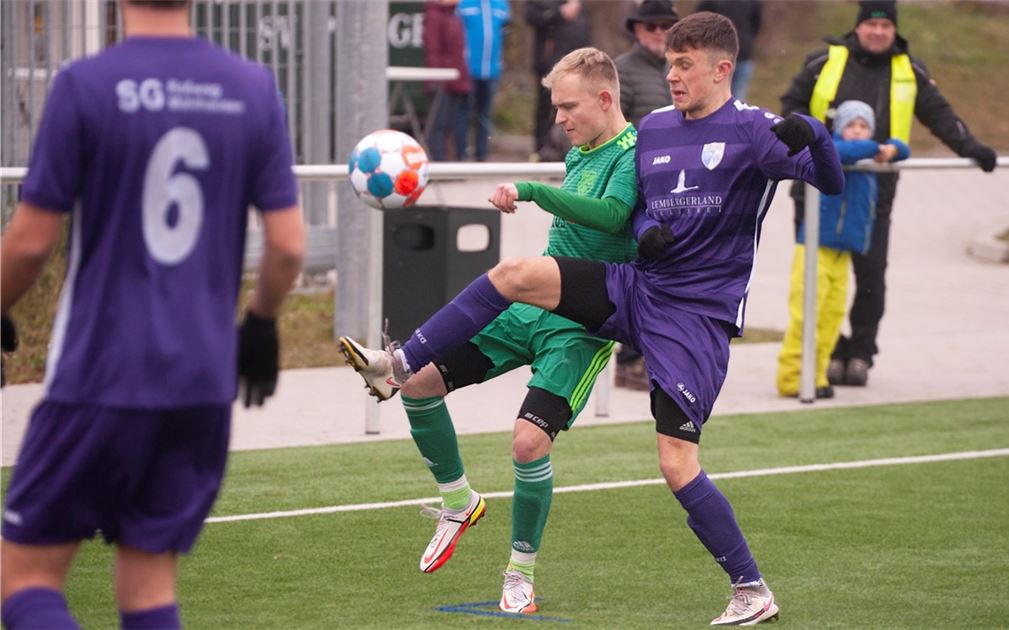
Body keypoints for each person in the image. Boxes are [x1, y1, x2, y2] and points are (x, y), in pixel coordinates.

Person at [341, 12, 844, 625]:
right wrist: (648, 230)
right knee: (513, 275)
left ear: (722, 68)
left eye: (684, 64)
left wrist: (816, 137)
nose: (671, 73)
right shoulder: (657, 128)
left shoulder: (754, 129)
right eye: (669, 62)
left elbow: (831, 182)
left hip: (693, 315)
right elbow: (633, 212)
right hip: (635, 286)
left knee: (674, 462)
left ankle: (750, 588)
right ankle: (402, 364)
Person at [0, 2, 306, 629]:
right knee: (148, 584)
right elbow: (289, 244)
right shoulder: (251, 87)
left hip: (100, 375)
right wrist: (261, 323)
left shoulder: (85, 84)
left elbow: (31, 242)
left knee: (24, 577)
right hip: (199, 386)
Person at [340, 47, 638, 615]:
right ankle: (458, 502)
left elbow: (612, 218)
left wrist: (531, 190)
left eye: (567, 106)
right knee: (421, 384)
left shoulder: (634, 152)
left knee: (527, 443)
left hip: (581, 327)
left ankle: (520, 571)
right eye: (554, 107)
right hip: (533, 306)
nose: (559, 119)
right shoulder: (581, 150)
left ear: (605, 99)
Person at [781, 0, 997, 387]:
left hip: (873, 196)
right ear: (858, 26)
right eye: (871, 24)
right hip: (817, 196)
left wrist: (973, 149)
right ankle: (825, 356)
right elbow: (791, 108)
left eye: (886, 27)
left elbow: (941, 116)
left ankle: (861, 354)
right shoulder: (823, 62)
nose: (878, 32)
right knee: (816, 284)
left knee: (870, 279)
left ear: (895, 31)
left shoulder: (908, 70)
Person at [776, 100, 909, 400]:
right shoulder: (834, 151)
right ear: (839, 129)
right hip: (815, 247)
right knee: (807, 313)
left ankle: (816, 374)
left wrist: (891, 150)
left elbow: (903, 147)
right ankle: (790, 376)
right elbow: (841, 150)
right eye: (852, 125)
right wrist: (875, 146)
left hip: (843, 251)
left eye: (864, 126)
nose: (858, 132)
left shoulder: (870, 155)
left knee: (831, 316)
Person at [612, 0, 678, 391]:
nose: (658, 31)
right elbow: (611, 133)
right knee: (639, 278)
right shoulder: (622, 71)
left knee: (666, 277)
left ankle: (651, 358)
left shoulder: (679, 69)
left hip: (674, 191)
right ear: (636, 29)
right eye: (650, 25)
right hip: (637, 189)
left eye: (666, 25)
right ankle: (629, 360)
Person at [526, 1, 591, 161]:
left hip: (575, 63)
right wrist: (559, 13)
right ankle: (542, 150)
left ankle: (568, 150)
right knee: (547, 107)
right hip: (549, 63)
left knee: (574, 106)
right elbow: (531, 16)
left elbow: (585, 26)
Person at [458, 0, 510, 162]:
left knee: (485, 114)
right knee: (465, 113)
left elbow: (505, 34)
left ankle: (482, 154)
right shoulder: (464, 4)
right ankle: (461, 153)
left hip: (492, 69)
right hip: (469, 69)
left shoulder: (501, 5)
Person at [424, 0, 471, 161]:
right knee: (438, 124)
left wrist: (463, 79)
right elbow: (433, 50)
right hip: (442, 81)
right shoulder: (434, 16)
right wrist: (435, 78)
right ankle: (437, 162)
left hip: (455, 80)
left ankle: (447, 163)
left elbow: (459, 52)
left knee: (450, 124)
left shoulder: (454, 15)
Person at [697, 0, 761, 102]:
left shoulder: (752, 2)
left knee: (737, 101)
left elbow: (756, 24)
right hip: (715, 59)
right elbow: (698, 23)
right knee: (714, 101)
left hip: (743, 57)